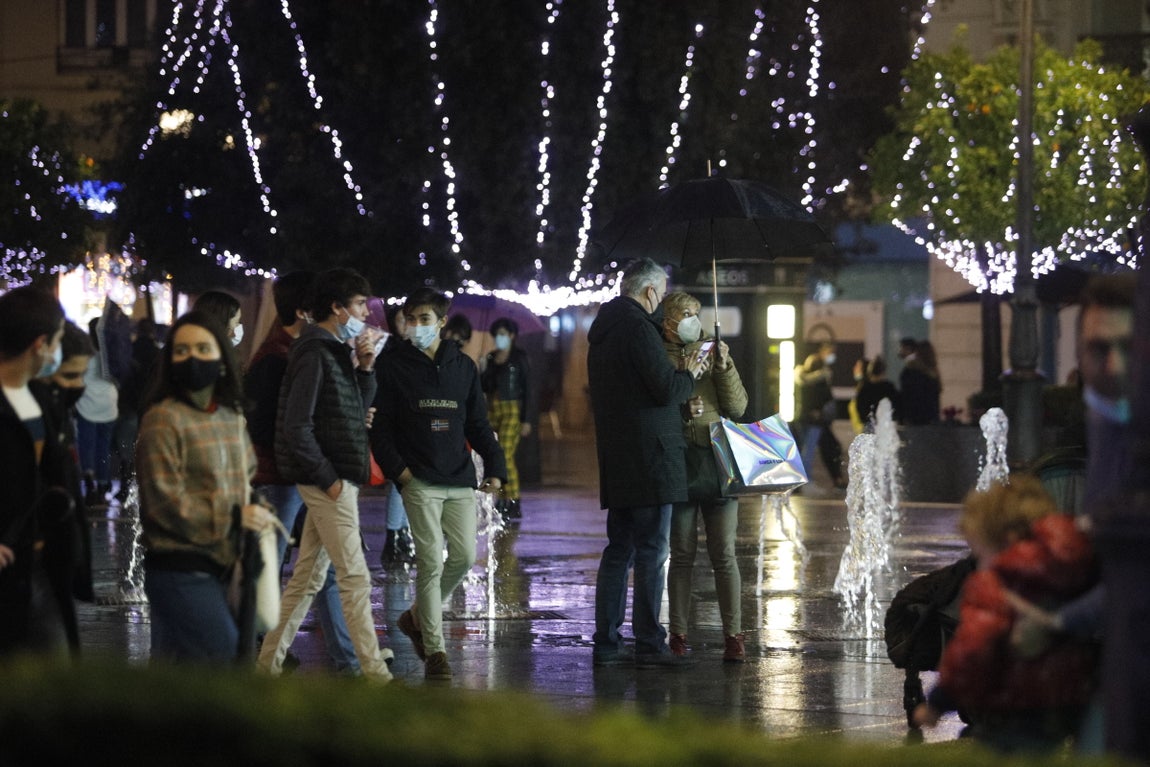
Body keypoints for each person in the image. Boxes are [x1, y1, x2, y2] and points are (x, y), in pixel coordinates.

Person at [257, 268, 393, 683]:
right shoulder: (315, 352)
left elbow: (354, 414)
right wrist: (329, 479)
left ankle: (267, 663)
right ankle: (374, 674)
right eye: (358, 306)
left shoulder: (333, 350)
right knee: (354, 575)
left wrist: (365, 368)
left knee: (309, 576)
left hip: (335, 476)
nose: (364, 315)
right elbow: (297, 426)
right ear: (336, 308)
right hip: (327, 480)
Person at [371, 287, 506, 680]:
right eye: (410, 320)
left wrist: (496, 467)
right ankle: (436, 653)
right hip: (419, 482)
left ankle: (415, 618)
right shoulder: (393, 366)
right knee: (430, 562)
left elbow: (478, 424)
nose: (416, 327)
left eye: (424, 320)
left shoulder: (462, 367)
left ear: (442, 323)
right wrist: (403, 475)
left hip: (460, 478)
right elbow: (381, 430)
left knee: (463, 557)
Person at [913, 475, 1098, 753]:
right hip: (1071, 699)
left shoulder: (997, 582)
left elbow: (972, 650)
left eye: (980, 551)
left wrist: (939, 701)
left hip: (1014, 706)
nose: (980, 562)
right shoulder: (1075, 570)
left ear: (1004, 541)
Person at [135, 310, 275, 663]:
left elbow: (245, 478)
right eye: (181, 351)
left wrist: (256, 510)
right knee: (223, 654)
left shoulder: (230, 416)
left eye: (202, 348)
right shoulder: (162, 418)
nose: (192, 358)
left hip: (227, 565)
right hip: (180, 566)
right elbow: (163, 504)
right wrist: (234, 516)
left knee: (187, 671)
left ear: (222, 358)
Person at [587, 258, 704, 668]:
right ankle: (650, 639)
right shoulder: (638, 328)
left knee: (619, 548)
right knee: (653, 550)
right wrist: (688, 373)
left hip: (619, 455)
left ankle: (606, 639)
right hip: (652, 455)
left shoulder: (603, 330)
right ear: (651, 291)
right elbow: (665, 388)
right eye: (662, 290)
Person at [243, 271, 359, 674]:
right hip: (282, 478)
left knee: (316, 571)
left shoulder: (299, 350)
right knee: (280, 566)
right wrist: (313, 465)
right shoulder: (281, 356)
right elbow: (276, 423)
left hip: (300, 474)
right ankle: (259, 644)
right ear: (301, 311)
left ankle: (345, 659)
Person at [660, 292, 748, 662]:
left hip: (717, 464)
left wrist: (724, 368)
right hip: (679, 463)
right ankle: (677, 634)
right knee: (681, 554)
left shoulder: (712, 352)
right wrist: (682, 409)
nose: (692, 319)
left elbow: (738, 407)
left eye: (696, 313)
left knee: (724, 554)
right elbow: (654, 406)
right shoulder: (657, 355)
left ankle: (734, 635)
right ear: (668, 320)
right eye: (685, 314)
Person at [0, 287, 82, 657]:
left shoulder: (42, 397)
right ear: (40, 344)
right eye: (59, 340)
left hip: (44, 566)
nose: (59, 351)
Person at [32, 320, 97, 652]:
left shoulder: (57, 414)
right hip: (34, 569)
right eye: (70, 376)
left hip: (55, 566)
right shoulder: (33, 416)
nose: (78, 385)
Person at [481, 317, 534, 521]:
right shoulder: (492, 358)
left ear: (512, 336)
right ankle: (501, 499)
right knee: (495, 453)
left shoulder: (519, 357)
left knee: (505, 454)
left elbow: (528, 388)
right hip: (494, 408)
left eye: (504, 334)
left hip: (513, 407)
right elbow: (485, 386)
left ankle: (512, 499)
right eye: (497, 334)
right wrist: (484, 366)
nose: (500, 338)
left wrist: (526, 419)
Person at [376, 304, 413, 569]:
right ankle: (393, 537)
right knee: (399, 482)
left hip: (409, 421)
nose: (406, 325)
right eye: (402, 320)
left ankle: (401, 536)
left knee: (409, 484)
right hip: (394, 422)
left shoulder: (412, 350)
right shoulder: (388, 351)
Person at [75, 317, 119, 506]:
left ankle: (90, 484)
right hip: (109, 406)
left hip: (87, 405)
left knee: (87, 447)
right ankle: (103, 484)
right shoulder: (113, 354)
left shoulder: (86, 354)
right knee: (104, 447)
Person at [795, 341, 846, 489]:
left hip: (805, 417)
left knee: (806, 448)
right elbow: (823, 397)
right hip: (815, 419)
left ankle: (802, 480)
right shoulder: (820, 379)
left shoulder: (802, 378)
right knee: (809, 450)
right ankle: (805, 480)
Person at [900, 338, 941, 425]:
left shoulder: (911, 372)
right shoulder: (933, 375)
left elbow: (907, 397)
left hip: (914, 420)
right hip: (931, 420)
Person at [854, 355, 901, 428]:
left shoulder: (865, 388)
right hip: (886, 425)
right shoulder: (889, 388)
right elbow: (897, 405)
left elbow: (860, 407)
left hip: (869, 425)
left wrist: (865, 419)